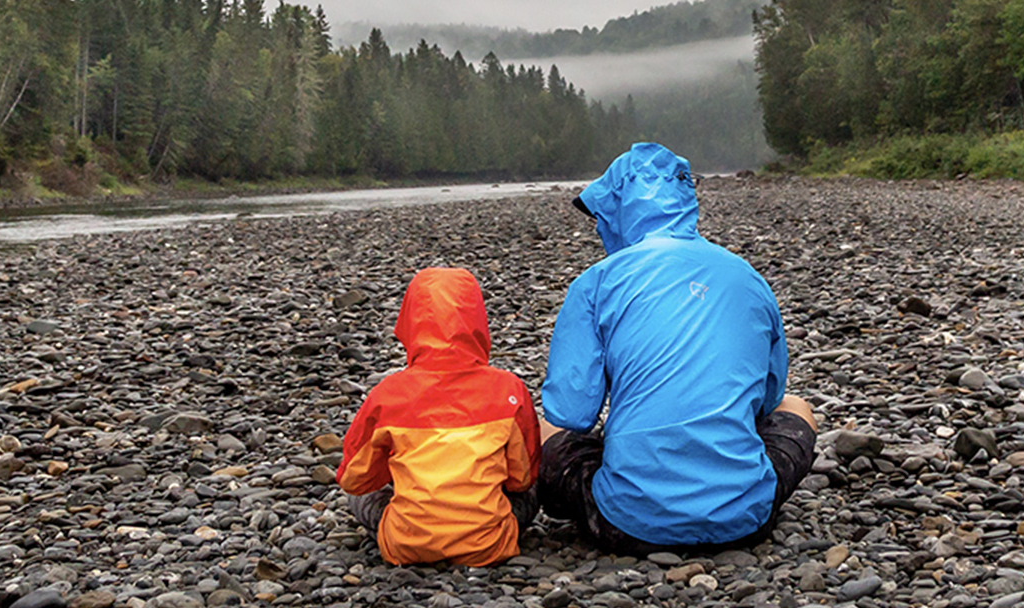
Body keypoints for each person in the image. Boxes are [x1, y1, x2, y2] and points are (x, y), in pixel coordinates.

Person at [537, 142, 817, 553]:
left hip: (628, 524)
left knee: (542, 427)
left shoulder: (596, 283)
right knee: (798, 408)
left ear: (617, 210)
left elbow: (570, 413)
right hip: (744, 521)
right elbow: (770, 399)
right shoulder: (748, 277)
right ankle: (729, 486)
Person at [336, 267, 540, 566]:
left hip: (406, 544)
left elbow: (354, 479)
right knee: (535, 484)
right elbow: (521, 479)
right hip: (489, 544)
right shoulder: (508, 388)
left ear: (409, 320)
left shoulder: (387, 394)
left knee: (360, 497)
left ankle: (417, 523)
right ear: (478, 321)